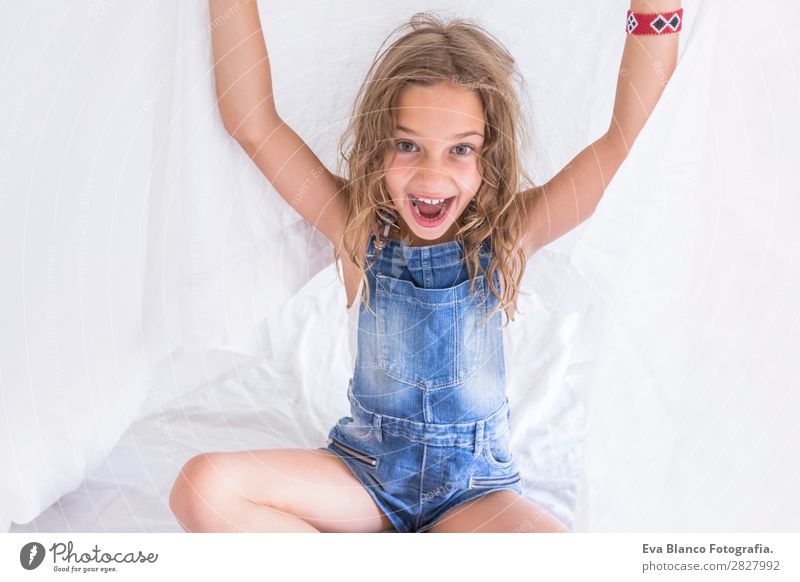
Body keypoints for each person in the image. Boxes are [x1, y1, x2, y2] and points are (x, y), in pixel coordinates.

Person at [169, 0, 682, 533]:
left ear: (490, 159)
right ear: (379, 147)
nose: (432, 176)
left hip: (473, 494)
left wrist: (656, 8)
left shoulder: (510, 235)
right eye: (408, 145)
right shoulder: (355, 228)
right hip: (366, 479)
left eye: (461, 150)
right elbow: (253, 123)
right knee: (202, 488)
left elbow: (629, 142)